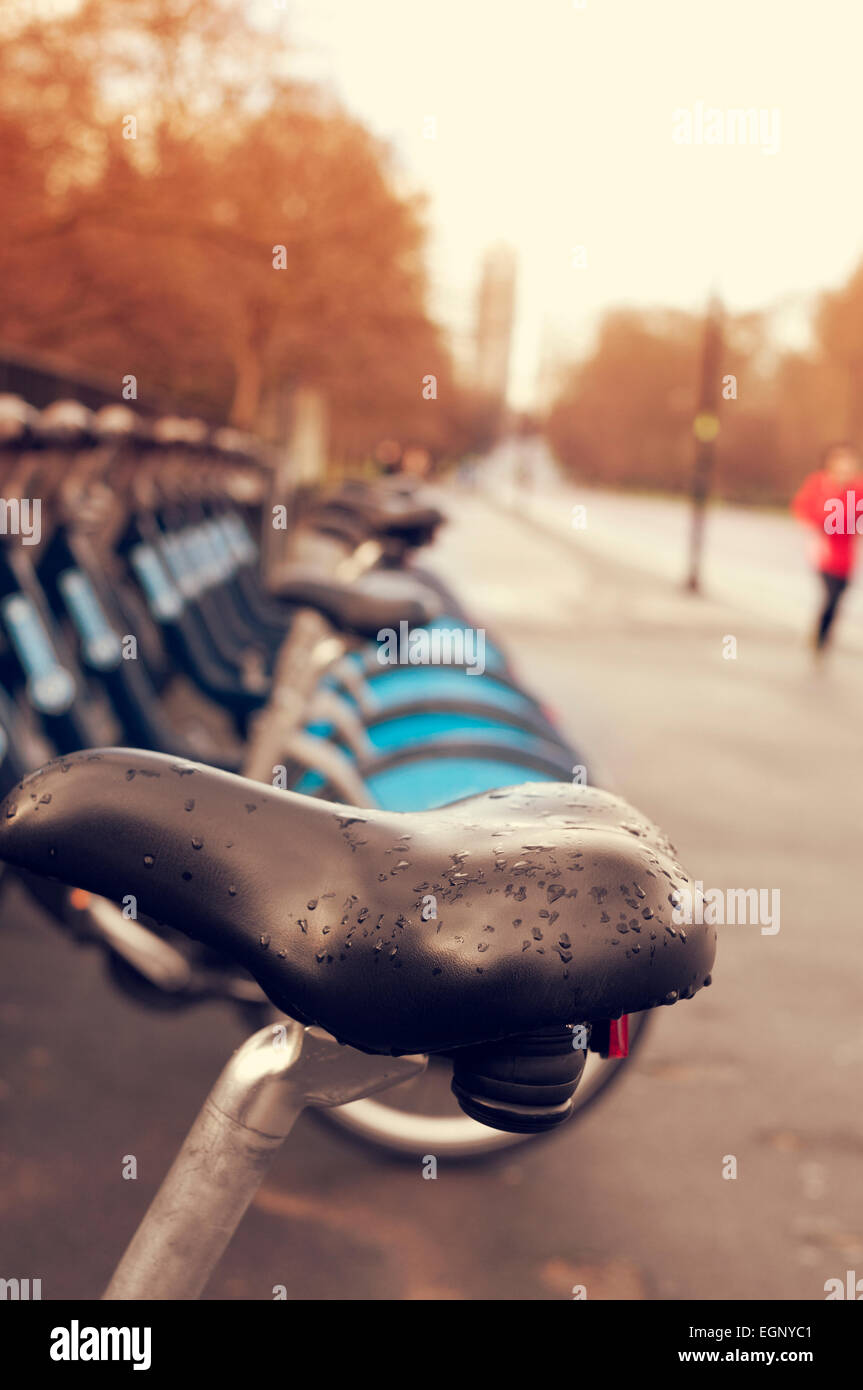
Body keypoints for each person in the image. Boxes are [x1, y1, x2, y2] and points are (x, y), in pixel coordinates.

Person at [791, 442, 863, 652]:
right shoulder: (819, 484)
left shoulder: (857, 489)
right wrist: (815, 535)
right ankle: (821, 638)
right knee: (830, 595)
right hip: (823, 550)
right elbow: (803, 510)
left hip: (846, 553)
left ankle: (824, 632)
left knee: (839, 596)